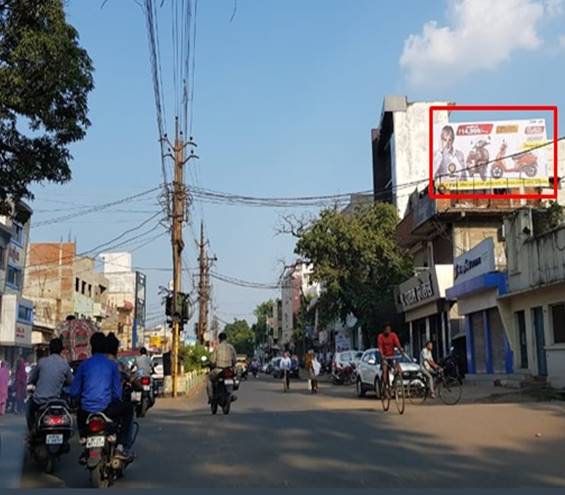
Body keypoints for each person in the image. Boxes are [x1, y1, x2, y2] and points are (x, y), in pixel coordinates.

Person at [70, 332, 134, 460]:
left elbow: (74, 392)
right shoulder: (112, 365)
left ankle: (83, 438)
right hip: (106, 409)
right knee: (128, 409)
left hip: (86, 411)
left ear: (91, 347)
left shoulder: (84, 365)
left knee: (79, 412)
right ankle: (120, 446)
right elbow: (117, 393)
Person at [27, 338, 73, 431]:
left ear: (50, 349)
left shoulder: (42, 362)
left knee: (29, 409)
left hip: (39, 401)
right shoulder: (64, 364)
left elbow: (32, 378)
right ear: (61, 350)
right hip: (56, 400)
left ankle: (31, 431)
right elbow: (70, 381)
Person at [206, 332, 237, 403]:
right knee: (233, 378)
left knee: (209, 380)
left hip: (218, 370)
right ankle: (230, 393)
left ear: (219, 339)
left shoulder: (217, 347)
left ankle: (211, 397)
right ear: (226, 339)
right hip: (229, 370)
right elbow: (235, 360)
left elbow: (212, 360)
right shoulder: (231, 347)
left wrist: (211, 363)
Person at [377, 324, 403, 396]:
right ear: (384, 330)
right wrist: (382, 355)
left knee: (398, 369)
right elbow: (380, 347)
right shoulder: (380, 336)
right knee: (385, 370)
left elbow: (397, 343)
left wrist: (401, 350)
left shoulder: (393, 335)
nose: (388, 331)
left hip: (392, 356)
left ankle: (395, 383)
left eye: (389, 329)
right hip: (384, 357)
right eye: (387, 330)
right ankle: (384, 386)